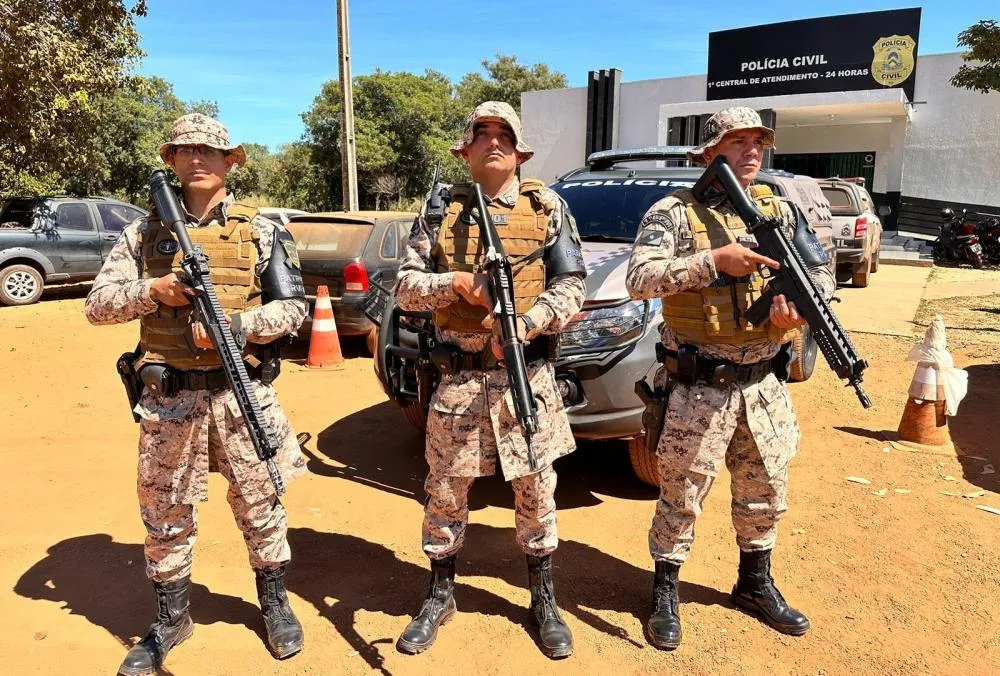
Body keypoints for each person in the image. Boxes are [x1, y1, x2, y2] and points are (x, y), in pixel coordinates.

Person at [84, 113, 309, 674]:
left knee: (261, 505)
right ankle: (171, 617)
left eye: (209, 151)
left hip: (241, 395)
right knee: (166, 512)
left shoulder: (263, 229)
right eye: (184, 150)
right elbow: (97, 305)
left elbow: (293, 310)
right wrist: (152, 291)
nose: (196, 158)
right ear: (172, 161)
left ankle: (274, 602)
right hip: (170, 400)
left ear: (232, 161)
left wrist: (236, 326)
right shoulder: (143, 234)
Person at [625, 107, 836, 650]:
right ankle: (665, 591)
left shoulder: (779, 210)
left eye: (757, 142)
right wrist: (713, 261)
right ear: (708, 153)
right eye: (736, 141)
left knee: (765, 490)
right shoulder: (673, 213)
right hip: (699, 385)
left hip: (763, 383)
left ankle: (754, 583)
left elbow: (819, 275)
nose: (750, 152)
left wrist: (792, 319)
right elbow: (639, 279)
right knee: (682, 493)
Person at [392, 101, 587, 659]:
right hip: (458, 379)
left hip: (528, 374)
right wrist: (455, 283)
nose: (494, 141)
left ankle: (543, 599)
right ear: (466, 149)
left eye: (505, 134)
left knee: (536, 489)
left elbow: (573, 284)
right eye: (483, 133)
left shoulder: (548, 207)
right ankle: (439, 592)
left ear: (520, 150)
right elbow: (404, 288)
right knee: (446, 490)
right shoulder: (440, 212)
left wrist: (527, 323)